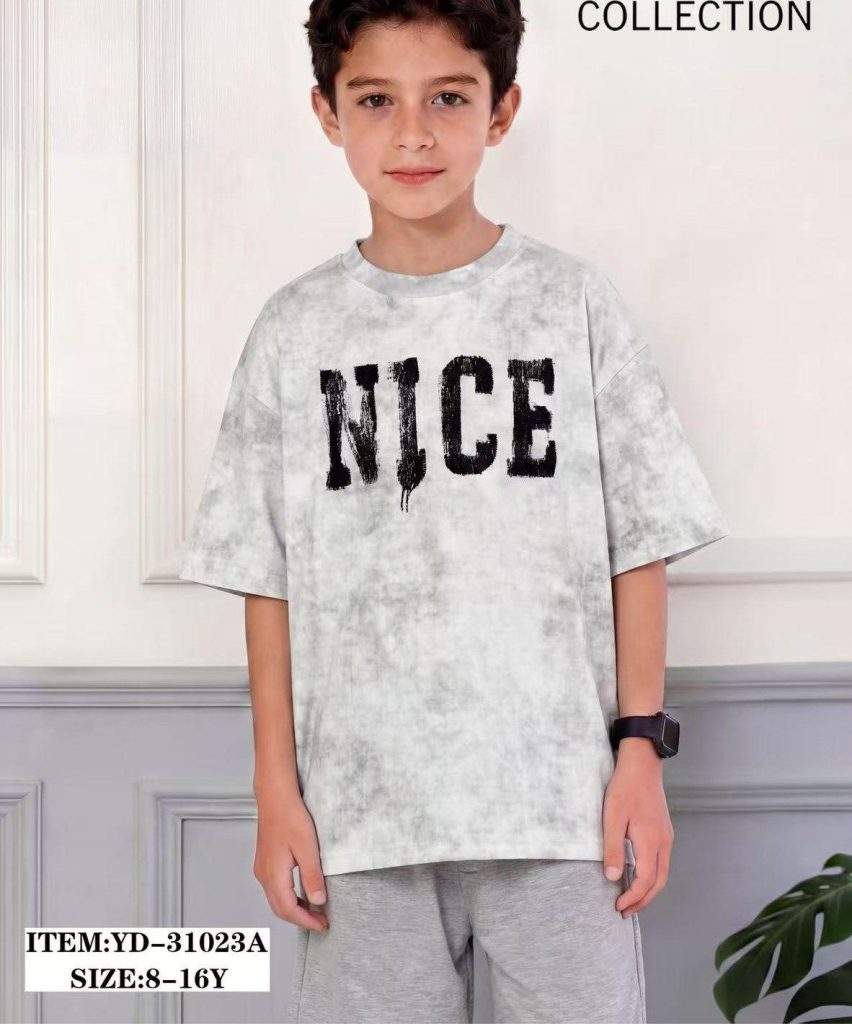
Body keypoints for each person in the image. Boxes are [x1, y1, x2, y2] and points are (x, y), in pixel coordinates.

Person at [178, 1, 729, 1021]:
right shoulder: (295, 330)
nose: (414, 134)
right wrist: (275, 794)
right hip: (360, 824)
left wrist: (639, 757)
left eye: (447, 98)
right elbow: (266, 577)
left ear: (501, 110)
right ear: (326, 112)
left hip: (561, 814)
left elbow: (640, 545)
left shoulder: (573, 305)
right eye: (375, 101)